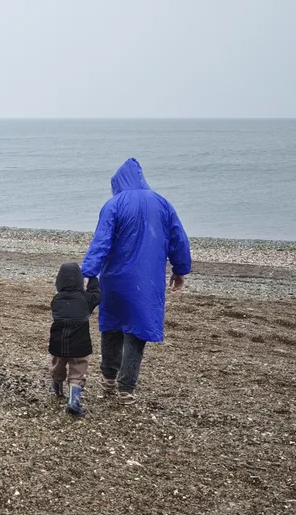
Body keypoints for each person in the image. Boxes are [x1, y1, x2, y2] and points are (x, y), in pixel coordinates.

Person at [80, 158, 191, 405]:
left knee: (112, 326)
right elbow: (178, 239)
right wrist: (180, 269)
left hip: (114, 279)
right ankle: (126, 388)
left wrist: (88, 272)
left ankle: (109, 378)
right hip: (147, 280)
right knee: (137, 331)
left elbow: (101, 242)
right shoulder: (162, 204)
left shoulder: (114, 204)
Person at [48, 262, 101, 417]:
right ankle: (74, 401)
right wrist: (92, 277)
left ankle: (57, 386)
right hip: (80, 343)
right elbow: (97, 295)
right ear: (79, 280)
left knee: (58, 364)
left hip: (58, 342)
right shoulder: (86, 299)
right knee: (78, 370)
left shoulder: (56, 299)